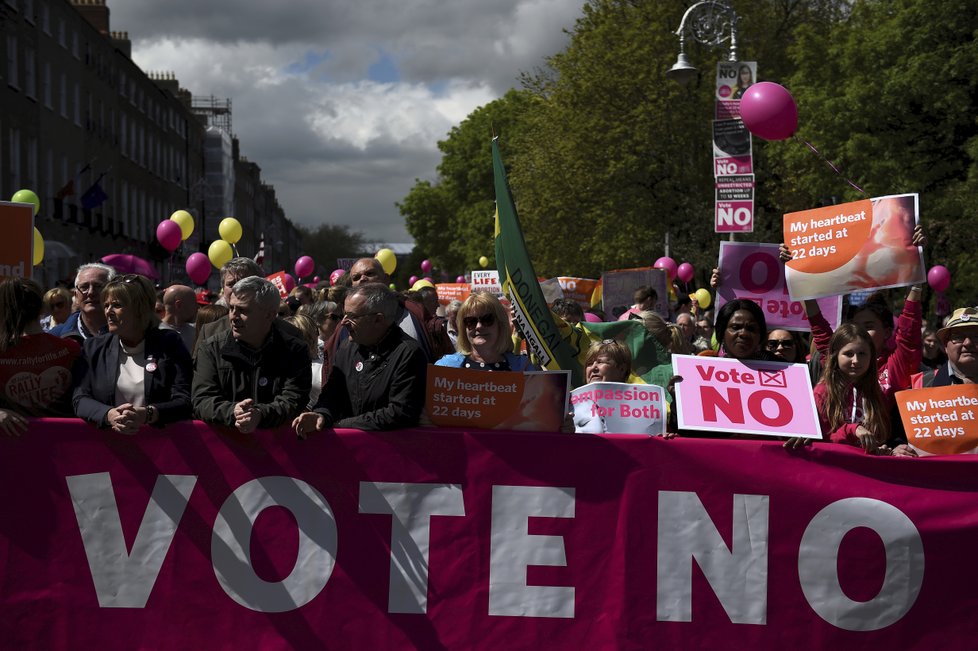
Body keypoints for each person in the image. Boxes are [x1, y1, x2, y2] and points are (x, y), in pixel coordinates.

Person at [292, 283, 427, 436]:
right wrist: (321, 415)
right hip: (349, 451)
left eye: (352, 316)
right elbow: (331, 396)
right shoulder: (347, 348)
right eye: (343, 314)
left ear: (378, 320)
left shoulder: (408, 353)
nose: (343, 322)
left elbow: (399, 412)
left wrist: (342, 425)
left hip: (390, 452)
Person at [73, 274, 193, 432]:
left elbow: (184, 400)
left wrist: (147, 414)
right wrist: (109, 415)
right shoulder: (94, 347)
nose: (108, 311)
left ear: (140, 309)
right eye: (106, 305)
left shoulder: (169, 344)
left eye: (116, 305)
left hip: (159, 447)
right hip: (108, 447)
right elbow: (80, 399)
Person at [193, 277, 311, 433]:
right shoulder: (211, 349)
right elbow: (202, 399)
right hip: (224, 450)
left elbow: (294, 398)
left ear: (270, 315)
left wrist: (260, 415)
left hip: (278, 451)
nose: (233, 317)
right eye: (231, 308)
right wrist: (233, 412)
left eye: (243, 310)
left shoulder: (294, 350)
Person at [0, 278, 82, 434]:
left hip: (13, 445)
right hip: (67, 442)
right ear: (42, 308)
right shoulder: (71, 348)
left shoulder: (2, 352)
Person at [811, 324, 892, 454]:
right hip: (836, 467)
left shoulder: (876, 392)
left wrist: (880, 449)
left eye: (862, 354)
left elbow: (880, 437)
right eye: (849, 354)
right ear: (835, 356)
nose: (856, 360)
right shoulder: (822, 392)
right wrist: (852, 430)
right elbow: (820, 442)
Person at [435, 292, 538, 371]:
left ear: (500, 324)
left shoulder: (524, 368)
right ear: (463, 328)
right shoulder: (445, 367)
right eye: (471, 321)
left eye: (487, 319)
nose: (479, 326)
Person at [50, 263, 116, 340]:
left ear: (112, 292)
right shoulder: (56, 337)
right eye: (84, 287)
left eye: (98, 286)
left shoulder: (128, 333)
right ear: (76, 295)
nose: (91, 292)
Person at [913, 308, 978, 386]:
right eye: (958, 337)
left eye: (976, 337)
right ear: (945, 345)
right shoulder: (922, 383)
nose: (968, 343)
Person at [160, 284, 198, 352]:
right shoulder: (154, 334)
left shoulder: (195, 332)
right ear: (178, 305)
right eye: (193, 303)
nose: (197, 308)